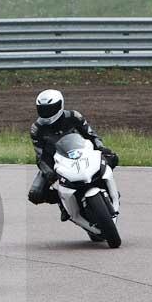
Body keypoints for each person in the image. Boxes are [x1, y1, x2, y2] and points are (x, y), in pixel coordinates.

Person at [28, 89, 119, 221]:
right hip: (55, 163)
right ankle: (63, 203)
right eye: (43, 109)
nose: (46, 113)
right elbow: (40, 156)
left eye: (50, 109)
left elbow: (91, 135)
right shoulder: (36, 128)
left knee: (113, 157)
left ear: (60, 105)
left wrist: (101, 148)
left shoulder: (74, 116)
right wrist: (49, 172)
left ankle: (108, 190)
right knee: (35, 194)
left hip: (82, 154)